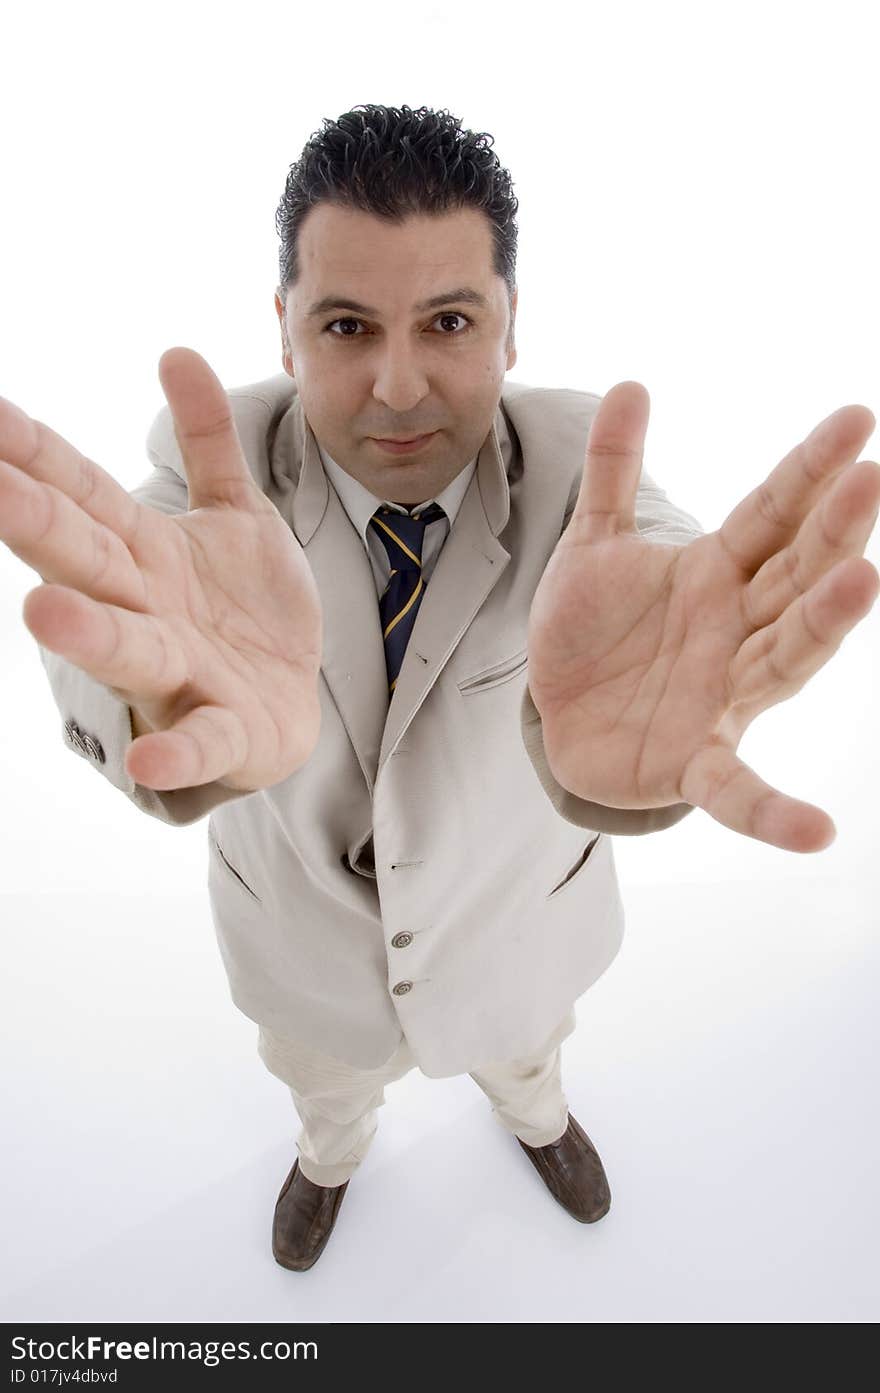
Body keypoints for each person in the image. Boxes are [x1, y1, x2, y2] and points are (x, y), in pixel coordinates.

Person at [2, 104, 877, 1275]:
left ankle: (538, 1119)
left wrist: (686, 686)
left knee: (529, 1058)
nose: (398, 386)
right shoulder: (214, 472)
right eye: (347, 325)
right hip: (305, 954)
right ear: (285, 330)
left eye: (449, 322)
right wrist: (147, 698)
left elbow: (669, 561)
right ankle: (329, 1159)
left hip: (515, 940)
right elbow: (127, 600)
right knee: (326, 1090)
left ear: (511, 331)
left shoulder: (582, 476)